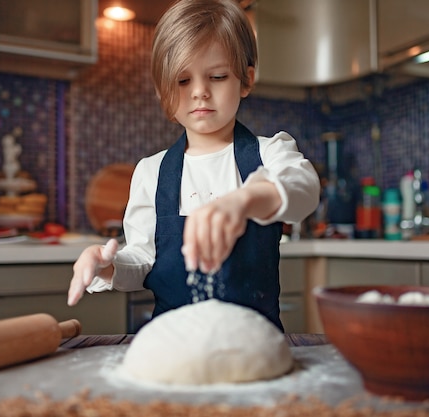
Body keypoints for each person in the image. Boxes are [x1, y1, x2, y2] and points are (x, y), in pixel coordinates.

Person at [67, 0, 320, 331]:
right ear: (163, 91)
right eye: (183, 81)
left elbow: (304, 189)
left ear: (246, 80)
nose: (200, 91)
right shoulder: (152, 172)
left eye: (217, 76)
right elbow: (143, 260)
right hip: (173, 345)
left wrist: (247, 198)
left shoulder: (270, 152)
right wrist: (108, 266)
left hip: (255, 343)